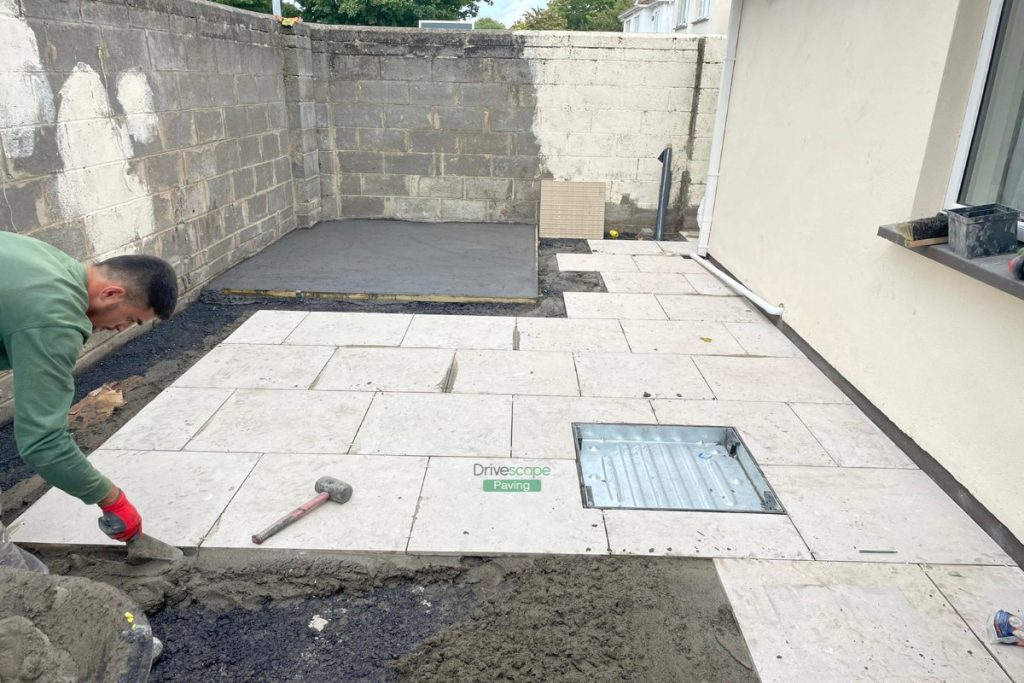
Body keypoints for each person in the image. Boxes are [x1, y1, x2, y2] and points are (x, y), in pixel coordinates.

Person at [0, 232, 178, 572]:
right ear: (111, 293)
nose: (122, 328)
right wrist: (113, 500)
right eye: (130, 319)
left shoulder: (50, 262)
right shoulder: (56, 316)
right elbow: (43, 442)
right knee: (26, 580)